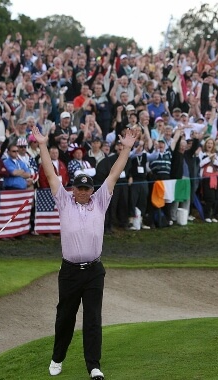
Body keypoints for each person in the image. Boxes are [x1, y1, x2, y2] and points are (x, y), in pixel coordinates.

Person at [34, 124, 138, 380]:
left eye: (86, 188)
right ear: (73, 189)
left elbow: (113, 175)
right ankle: (57, 358)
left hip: (94, 271)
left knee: (93, 320)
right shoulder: (64, 201)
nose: (82, 192)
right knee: (65, 318)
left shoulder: (100, 201)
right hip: (69, 271)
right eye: (79, 188)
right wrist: (43, 145)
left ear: (92, 190)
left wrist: (125, 149)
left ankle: (93, 366)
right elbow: (50, 175)